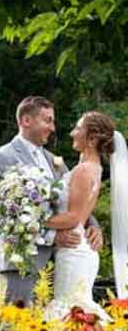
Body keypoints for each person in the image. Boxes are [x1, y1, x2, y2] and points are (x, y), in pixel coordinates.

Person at [0, 96, 103, 307]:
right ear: (26, 120)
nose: (53, 128)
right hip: (21, 260)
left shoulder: (54, 161)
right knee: (15, 327)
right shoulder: (1, 158)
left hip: (61, 263)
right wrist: (52, 236)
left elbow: (74, 201)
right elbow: (7, 211)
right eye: (47, 120)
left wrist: (93, 225)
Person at [44, 111, 128, 320]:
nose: (73, 133)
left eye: (78, 129)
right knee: (75, 311)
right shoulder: (95, 168)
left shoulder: (83, 171)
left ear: (91, 138)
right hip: (79, 250)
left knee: (69, 310)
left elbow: (74, 218)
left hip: (74, 251)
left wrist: (35, 221)